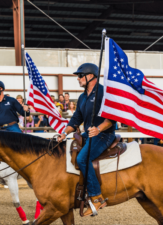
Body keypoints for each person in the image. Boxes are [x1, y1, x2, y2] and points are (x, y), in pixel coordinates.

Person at [58, 63, 116, 216]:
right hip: (88, 134)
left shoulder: (104, 92)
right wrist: (64, 133)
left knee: (83, 158)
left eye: (80, 75)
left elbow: (112, 118)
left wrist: (98, 129)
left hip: (104, 134)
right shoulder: (83, 97)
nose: (78, 78)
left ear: (90, 76)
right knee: (67, 147)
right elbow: (76, 119)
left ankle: (97, 197)